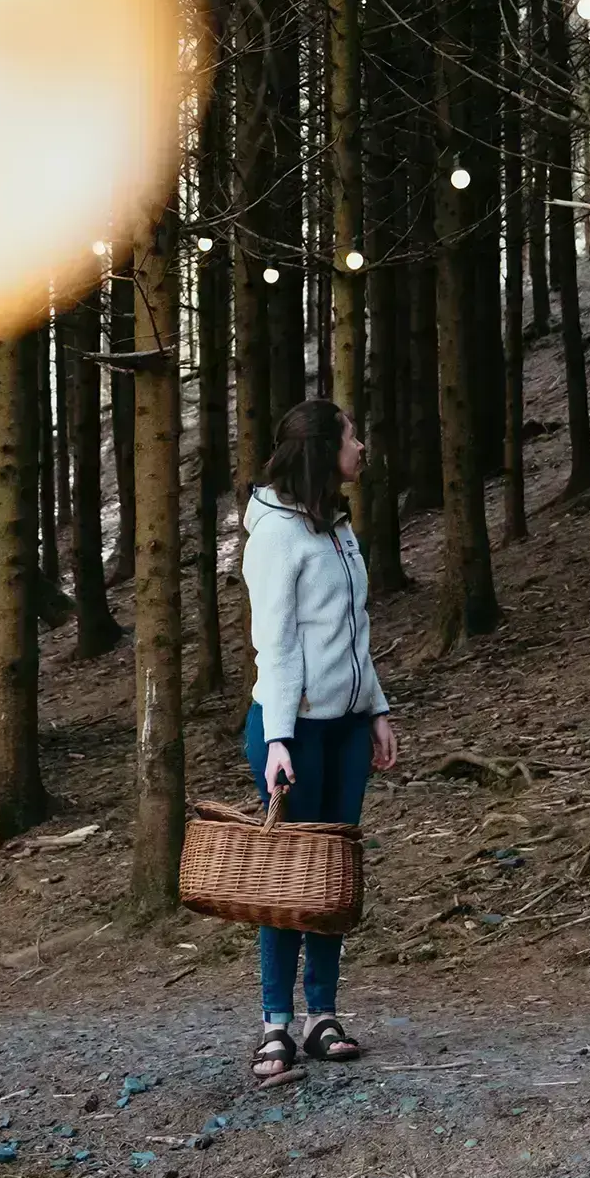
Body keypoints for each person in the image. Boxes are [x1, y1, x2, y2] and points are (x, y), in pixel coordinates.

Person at [242, 400, 397, 1081]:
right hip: (291, 732)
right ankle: (274, 1024)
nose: (361, 446)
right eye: (352, 436)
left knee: (330, 878)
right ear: (322, 452)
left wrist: (377, 711)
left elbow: (353, 635)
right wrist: (277, 739)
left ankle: (321, 1015)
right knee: (286, 882)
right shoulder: (276, 536)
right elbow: (274, 644)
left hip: (346, 730)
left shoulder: (338, 528)